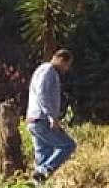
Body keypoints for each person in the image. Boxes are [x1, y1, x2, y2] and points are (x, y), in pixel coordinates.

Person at [26, 48, 76, 181]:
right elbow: (43, 94)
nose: (67, 69)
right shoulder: (49, 71)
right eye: (67, 65)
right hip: (42, 120)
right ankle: (44, 171)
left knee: (43, 156)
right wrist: (51, 116)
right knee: (68, 145)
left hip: (33, 121)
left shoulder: (42, 70)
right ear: (60, 59)